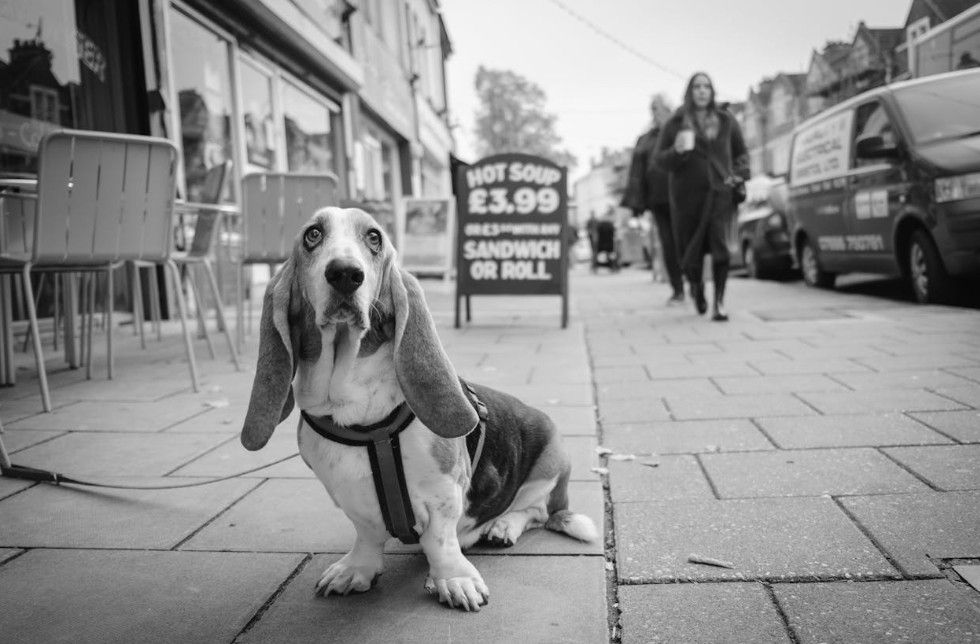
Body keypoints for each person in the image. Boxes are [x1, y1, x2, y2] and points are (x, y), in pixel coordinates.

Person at [655, 72, 750, 321]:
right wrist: (676, 151)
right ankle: (696, 289)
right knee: (690, 254)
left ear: (712, 91)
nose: (702, 91)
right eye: (697, 87)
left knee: (721, 250)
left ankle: (719, 302)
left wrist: (739, 174)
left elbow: (741, 153)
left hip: (720, 193)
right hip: (686, 199)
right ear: (690, 91)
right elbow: (660, 160)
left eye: (706, 86)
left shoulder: (725, 119)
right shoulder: (676, 122)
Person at [621, 95, 684, 304]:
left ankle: (695, 283)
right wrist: (635, 203)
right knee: (668, 245)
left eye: (658, 108)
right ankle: (678, 289)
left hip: (683, 197)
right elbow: (636, 173)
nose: (655, 113)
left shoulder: (680, 132)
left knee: (685, 242)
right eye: (653, 109)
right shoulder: (646, 139)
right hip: (658, 199)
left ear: (668, 108)